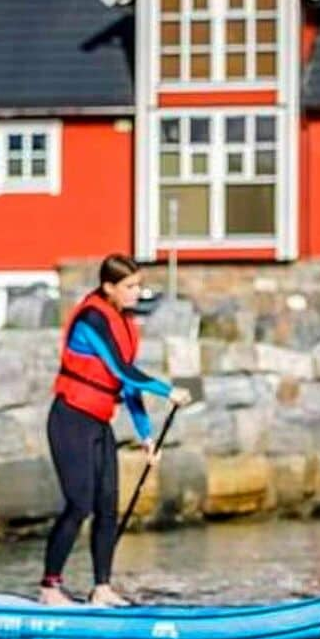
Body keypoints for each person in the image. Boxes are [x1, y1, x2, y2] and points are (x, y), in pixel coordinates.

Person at [39, 254, 190, 607]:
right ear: (109, 288)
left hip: (98, 422)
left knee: (108, 505)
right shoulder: (93, 318)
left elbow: (128, 387)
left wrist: (146, 435)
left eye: (139, 285)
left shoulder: (124, 323)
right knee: (79, 504)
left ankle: (101, 588)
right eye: (130, 287)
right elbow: (121, 370)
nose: (137, 293)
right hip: (70, 420)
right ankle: (49, 587)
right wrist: (169, 391)